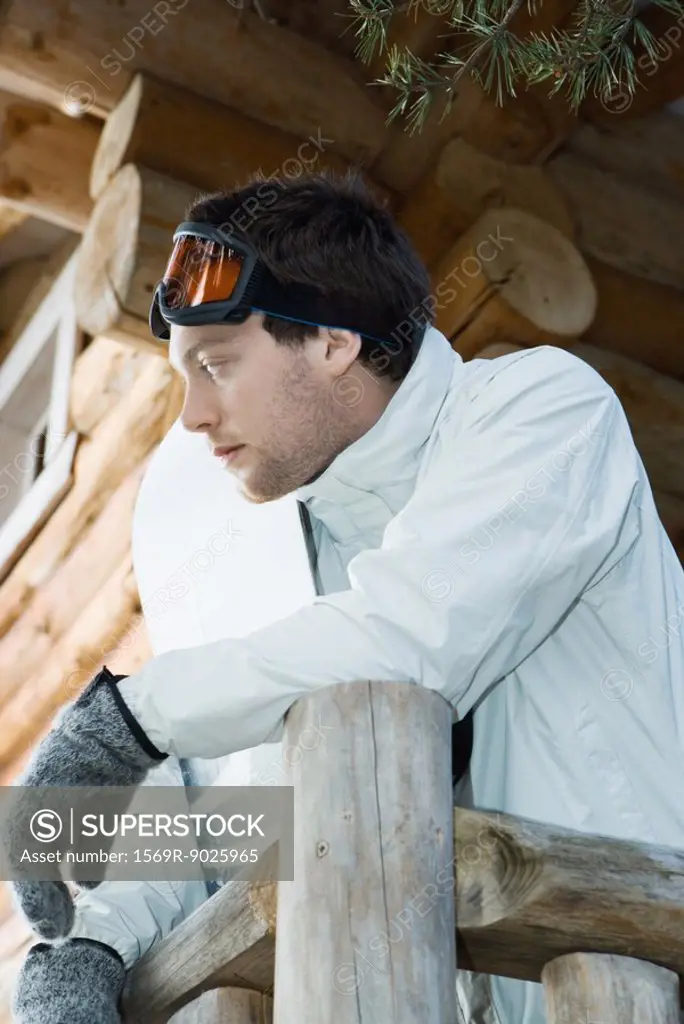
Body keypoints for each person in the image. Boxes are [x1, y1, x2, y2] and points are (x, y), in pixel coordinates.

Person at [9, 171, 684, 1024]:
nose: (191, 415)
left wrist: (129, 717)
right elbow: (229, 806)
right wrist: (87, 942)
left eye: (217, 365)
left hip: (635, 982)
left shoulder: (544, 414)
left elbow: (408, 640)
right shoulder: (288, 548)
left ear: (332, 342)